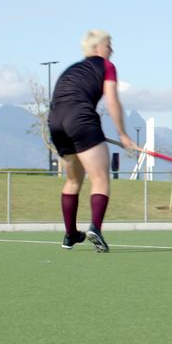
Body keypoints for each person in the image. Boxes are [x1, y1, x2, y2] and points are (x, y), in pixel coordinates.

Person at [49, 30, 134, 253]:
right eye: (109, 44)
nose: (112, 49)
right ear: (97, 48)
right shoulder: (106, 66)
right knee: (100, 178)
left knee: (73, 180)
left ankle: (70, 235)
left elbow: (62, 99)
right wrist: (123, 134)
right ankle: (95, 228)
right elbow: (112, 101)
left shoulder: (71, 69)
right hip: (81, 120)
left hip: (56, 122)